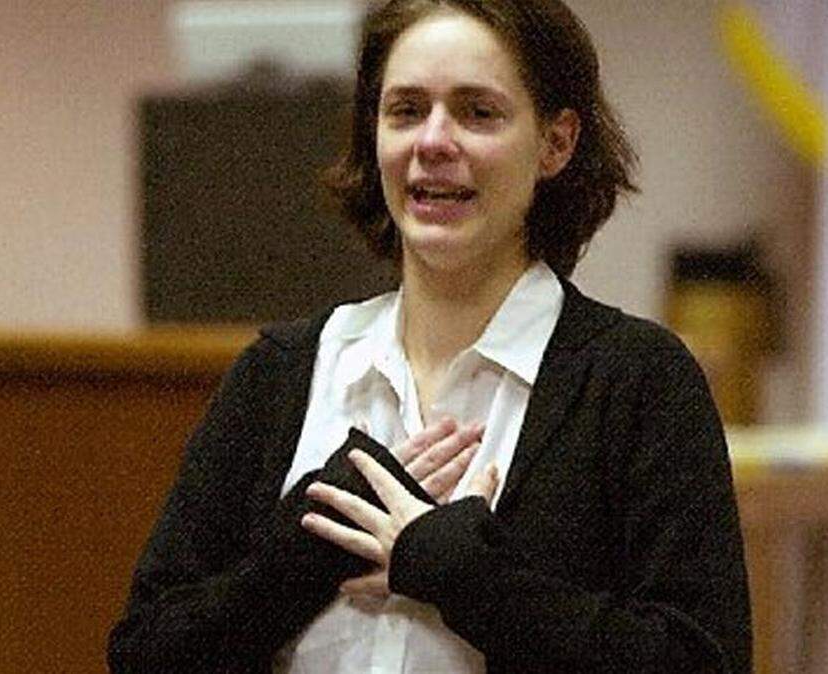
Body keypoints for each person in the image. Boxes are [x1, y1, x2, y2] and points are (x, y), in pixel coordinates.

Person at [107, 1, 751, 672]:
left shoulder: (638, 380)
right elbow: (145, 653)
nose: (433, 142)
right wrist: (304, 553)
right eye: (406, 111)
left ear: (556, 143)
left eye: (478, 113)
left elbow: (701, 663)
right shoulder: (280, 374)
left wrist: (465, 576)